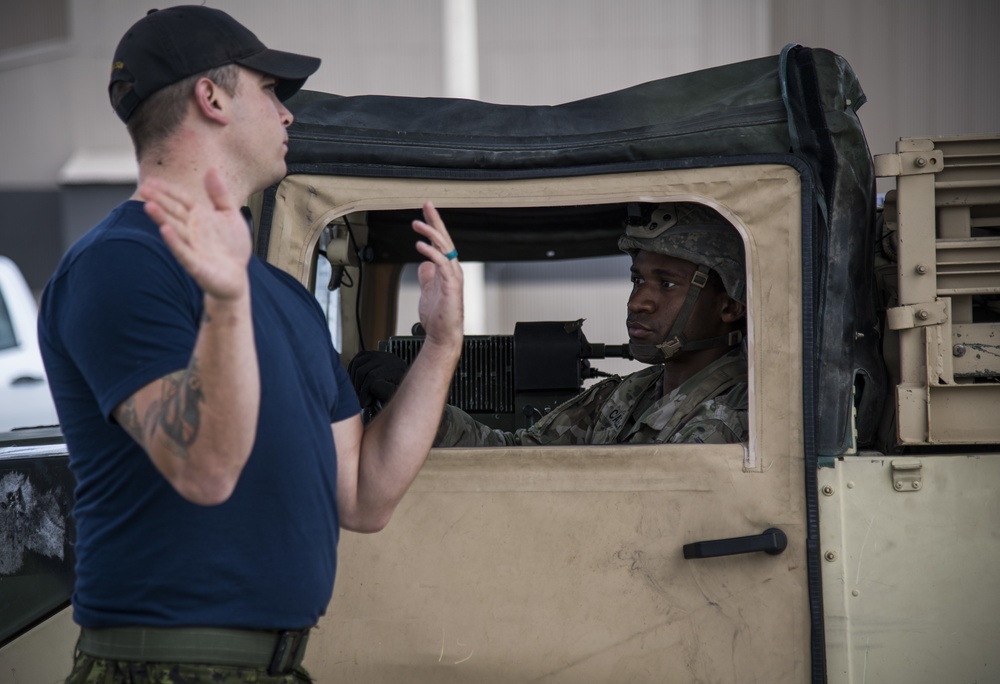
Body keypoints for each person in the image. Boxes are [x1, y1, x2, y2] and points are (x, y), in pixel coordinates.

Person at [38, 6, 463, 682]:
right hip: (166, 666)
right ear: (210, 97)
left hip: (274, 664)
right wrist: (227, 300)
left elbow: (363, 496)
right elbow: (203, 470)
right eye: (271, 91)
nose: (288, 116)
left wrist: (441, 346)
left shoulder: (283, 297)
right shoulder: (118, 266)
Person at [352, 201, 748, 446]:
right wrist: (412, 398)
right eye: (637, 279)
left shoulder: (742, 414)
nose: (639, 302)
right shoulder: (623, 396)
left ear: (729, 305)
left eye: (667, 284)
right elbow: (513, 456)